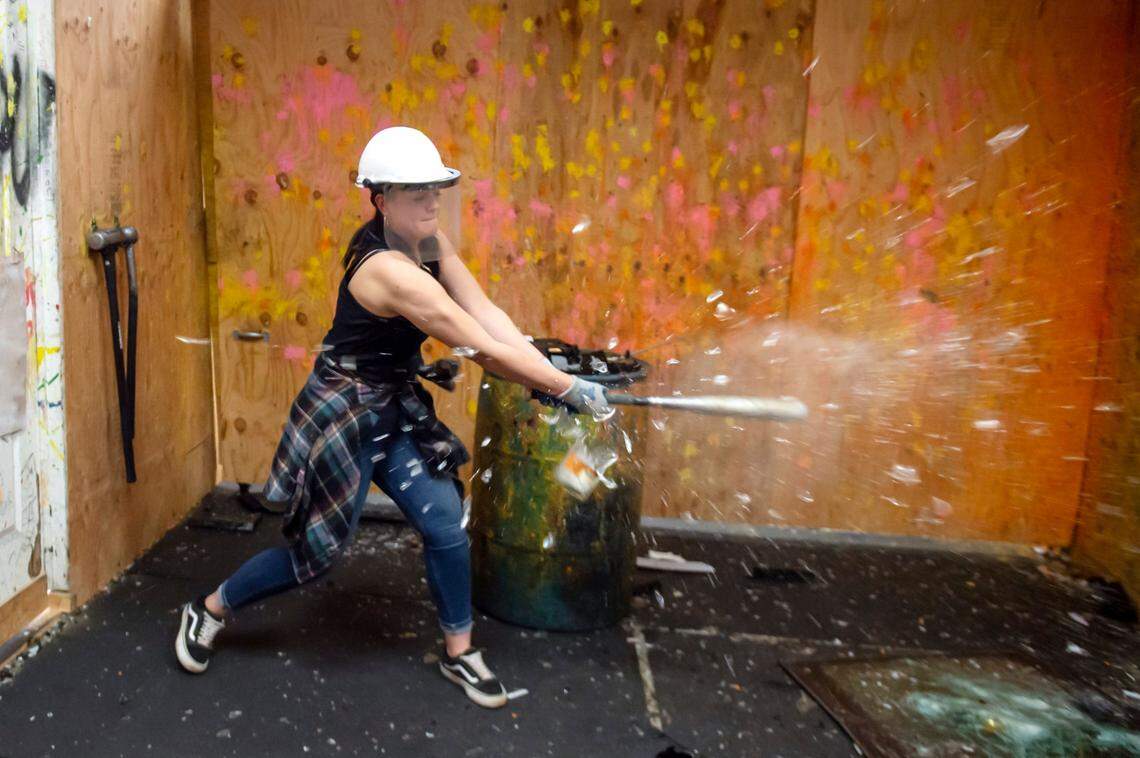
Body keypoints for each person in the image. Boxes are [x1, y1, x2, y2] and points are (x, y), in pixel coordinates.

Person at [174, 126, 611, 708]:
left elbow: (484, 312)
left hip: (393, 406)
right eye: (415, 192)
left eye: (435, 189)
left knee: (444, 523)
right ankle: (208, 609)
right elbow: (476, 346)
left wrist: (547, 372)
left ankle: (459, 652)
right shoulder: (387, 270)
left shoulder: (426, 240)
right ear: (380, 200)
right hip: (345, 411)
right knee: (315, 557)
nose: (432, 202)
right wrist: (563, 386)